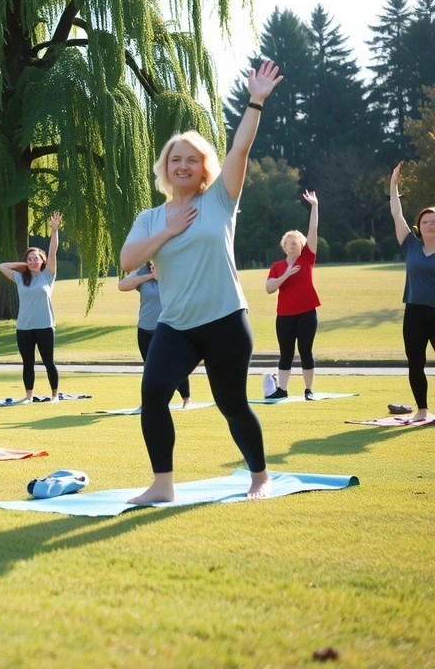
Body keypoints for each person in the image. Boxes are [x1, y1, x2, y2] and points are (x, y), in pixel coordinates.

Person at [119, 61, 282, 503]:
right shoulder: (149, 218)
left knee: (231, 404)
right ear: (166, 168)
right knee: (153, 393)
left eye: (192, 159)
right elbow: (127, 260)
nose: (184, 165)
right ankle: (162, 485)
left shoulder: (220, 200)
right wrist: (167, 232)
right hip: (176, 325)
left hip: (226, 320)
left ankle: (260, 476)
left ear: (204, 167)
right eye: (176, 159)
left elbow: (241, 150)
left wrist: (256, 100)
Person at [0, 211, 61, 403]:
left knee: (49, 362)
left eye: (36, 258)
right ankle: (28, 396)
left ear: (43, 261)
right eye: (30, 258)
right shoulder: (20, 278)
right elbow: (2, 266)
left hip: (45, 325)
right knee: (28, 363)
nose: (33, 260)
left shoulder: (48, 275)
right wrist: (23, 265)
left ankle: (54, 395)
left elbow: (53, 251)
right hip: (24, 326)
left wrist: (54, 231)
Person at [389, 162, 435, 423]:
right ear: (420, 225)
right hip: (415, 312)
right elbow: (397, 215)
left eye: (434, 221)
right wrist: (393, 185)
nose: (430, 224)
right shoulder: (411, 245)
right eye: (426, 221)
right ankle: (422, 410)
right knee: (415, 363)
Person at [265, 191, 321, 401]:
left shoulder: (307, 258)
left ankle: (309, 389)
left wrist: (314, 207)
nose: (292, 243)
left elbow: (313, 229)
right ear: (284, 246)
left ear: (302, 245)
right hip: (285, 316)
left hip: (307, 313)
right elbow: (269, 288)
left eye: (296, 240)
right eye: (289, 241)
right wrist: (285, 275)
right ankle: (282, 389)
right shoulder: (277, 266)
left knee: (305, 350)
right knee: (285, 353)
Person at [118, 261, 193, 408]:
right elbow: (122, 285)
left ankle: (186, 399)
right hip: (145, 329)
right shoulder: (142, 271)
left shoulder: (172, 270)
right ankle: (148, 402)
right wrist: (149, 276)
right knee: (150, 368)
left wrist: (162, 278)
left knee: (175, 364)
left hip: (169, 328)